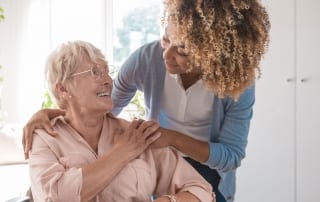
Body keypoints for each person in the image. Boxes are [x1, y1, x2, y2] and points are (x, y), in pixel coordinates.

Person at [23, 0, 270, 201]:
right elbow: (103, 106)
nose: (166, 54)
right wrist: (55, 112)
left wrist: (171, 138)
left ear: (211, 53)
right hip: (156, 151)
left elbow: (231, 156)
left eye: (182, 50)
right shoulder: (146, 59)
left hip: (203, 165)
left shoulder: (237, 82)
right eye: (165, 39)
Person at [28, 40, 215, 202]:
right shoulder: (45, 139)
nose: (109, 80)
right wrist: (122, 152)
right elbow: (56, 198)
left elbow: (202, 191)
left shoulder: (137, 134)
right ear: (63, 89)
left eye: (107, 71)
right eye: (95, 72)